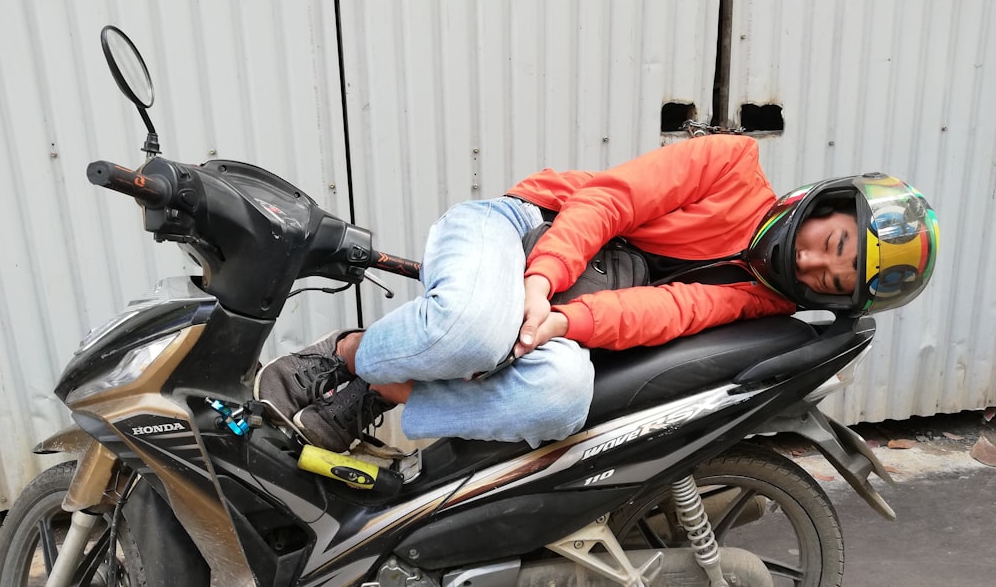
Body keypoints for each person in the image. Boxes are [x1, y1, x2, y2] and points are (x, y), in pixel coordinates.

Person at [255, 134, 938, 452]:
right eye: (836, 243)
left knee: (562, 399)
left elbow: (668, 312)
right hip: (521, 231)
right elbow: (609, 201)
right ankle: (347, 355)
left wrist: (561, 322)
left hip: (558, 311)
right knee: (474, 330)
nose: (818, 263)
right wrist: (540, 281)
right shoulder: (732, 163)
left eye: (837, 281)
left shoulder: (765, 300)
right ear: (827, 205)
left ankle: (382, 391)